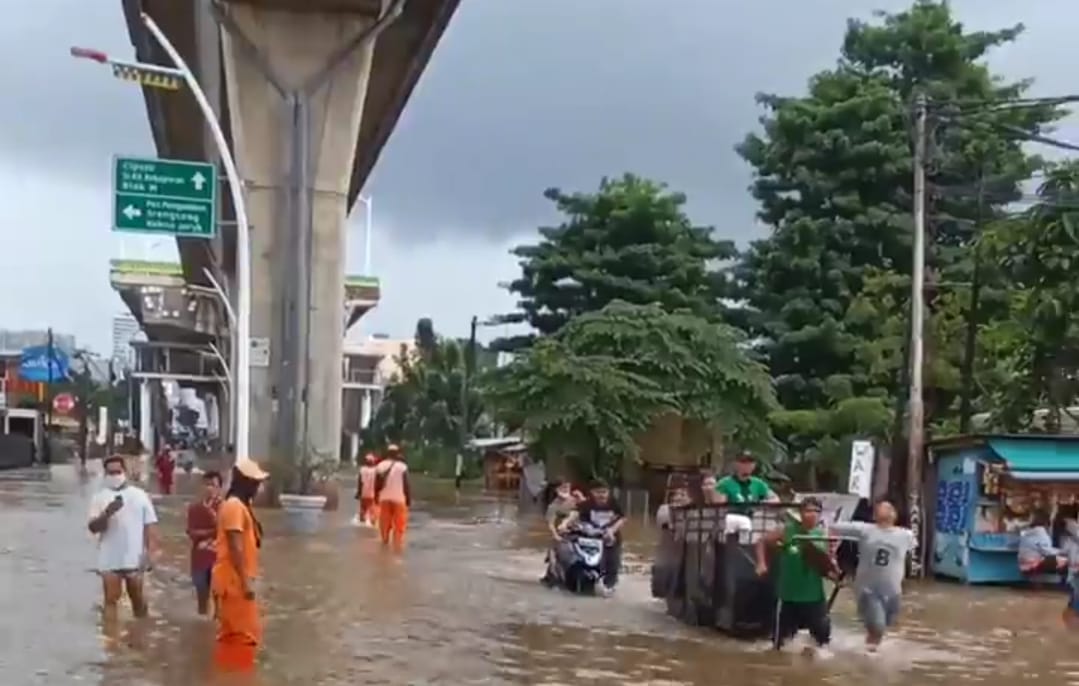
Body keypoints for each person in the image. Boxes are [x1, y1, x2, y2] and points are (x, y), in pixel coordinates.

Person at [828, 498, 914, 651]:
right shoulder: (865, 530)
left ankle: (867, 648)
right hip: (869, 590)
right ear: (874, 515)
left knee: (882, 626)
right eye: (881, 508)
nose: (886, 510)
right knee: (877, 627)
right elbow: (835, 527)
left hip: (893, 591)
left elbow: (907, 558)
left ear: (895, 514)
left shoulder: (906, 535)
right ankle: (870, 657)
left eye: (889, 508)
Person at [755, 496, 834, 655]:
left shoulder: (825, 535)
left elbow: (829, 565)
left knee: (823, 645)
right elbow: (762, 541)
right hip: (788, 596)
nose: (811, 514)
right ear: (801, 513)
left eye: (815, 511)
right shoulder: (787, 530)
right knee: (779, 645)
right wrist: (761, 563)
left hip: (814, 596)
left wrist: (837, 575)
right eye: (808, 511)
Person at [212, 459, 270, 672]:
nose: (259, 487)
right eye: (256, 483)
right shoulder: (235, 507)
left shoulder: (241, 506)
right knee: (243, 638)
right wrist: (246, 583)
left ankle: (230, 676)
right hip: (234, 583)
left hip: (235, 581)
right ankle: (236, 678)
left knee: (235, 637)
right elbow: (235, 548)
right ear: (246, 483)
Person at [87, 454, 159, 618]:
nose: (115, 476)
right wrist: (107, 513)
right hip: (109, 559)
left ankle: (140, 636)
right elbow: (93, 528)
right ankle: (111, 639)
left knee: (138, 600)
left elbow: (150, 527)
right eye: (110, 473)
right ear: (105, 474)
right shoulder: (99, 497)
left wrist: (150, 554)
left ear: (124, 471)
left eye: (117, 471)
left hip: (134, 558)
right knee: (110, 601)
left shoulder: (140, 495)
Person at [559, 480, 626, 595]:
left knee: (613, 562)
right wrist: (564, 524)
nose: (601, 495)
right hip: (589, 538)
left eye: (604, 492)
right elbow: (574, 515)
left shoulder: (613, 503)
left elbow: (622, 518)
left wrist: (612, 530)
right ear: (592, 493)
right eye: (598, 492)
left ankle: (609, 586)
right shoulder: (586, 505)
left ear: (608, 493)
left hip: (609, 540)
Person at [187, 470, 222, 616]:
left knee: (218, 596)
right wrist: (211, 532)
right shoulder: (194, 508)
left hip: (219, 558)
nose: (209, 488)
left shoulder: (225, 507)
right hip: (199, 558)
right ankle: (203, 626)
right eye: (207, 484)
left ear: (219, 488)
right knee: (201, 596)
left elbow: (224, 531)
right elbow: (191, 532)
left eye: (213, 485)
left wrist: (206, 531)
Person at [541, 480, 581, 585]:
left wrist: (581, 498)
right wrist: (555, 535)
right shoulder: (553, 506)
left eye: (568, 487)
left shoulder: (575, 500)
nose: (566, 489)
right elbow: (550, 524)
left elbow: (587, 509)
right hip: (560, 535)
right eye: (563, 487)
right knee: (554, 561)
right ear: (556, 490)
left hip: (577, 534)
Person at [375, 444, 411, 549]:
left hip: (384, 498)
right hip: (399, 499)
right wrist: (408, 499)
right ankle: (397, 546)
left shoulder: (380, 466)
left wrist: (376, 497)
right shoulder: (402, 467)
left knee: (384, 524)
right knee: (399, 525)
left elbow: (376, 485)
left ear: (388, 453)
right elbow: (406, 485)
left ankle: (384, 543)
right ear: (397, 454)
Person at [1018, 509, 1067, 576]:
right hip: (1032, 566)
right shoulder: (1040, 533)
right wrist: (1062, 552)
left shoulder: (1027, 532)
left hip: (1023, 565)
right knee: (1066, 561)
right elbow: (1046, 551)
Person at [354, 453, 380, 527]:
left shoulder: (362, 469)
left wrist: (358, 492)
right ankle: (371, 522)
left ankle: (362, 521)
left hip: (364, 493)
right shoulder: (376, 470)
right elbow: (378, 482)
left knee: (363, 509)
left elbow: (360, 482)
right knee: (372, 510)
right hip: (373, 493)